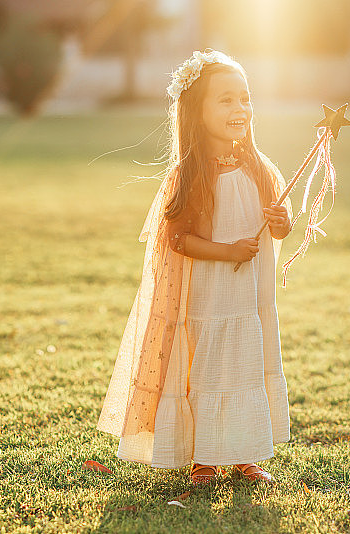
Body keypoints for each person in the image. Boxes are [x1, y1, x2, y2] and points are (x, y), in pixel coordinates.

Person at [96, 49, 293, 486]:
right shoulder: (189, 175)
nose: (239, 108)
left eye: (244, 98)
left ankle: (244, 452)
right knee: (206, 367)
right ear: (195, 110)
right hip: (206, 298)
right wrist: (227, 251)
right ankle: (204, 456)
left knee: (244, 365)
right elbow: (179, 239)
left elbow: (276, 228)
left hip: (248, 304)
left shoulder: (262, 169)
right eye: (225, 100)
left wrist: (283, 223)